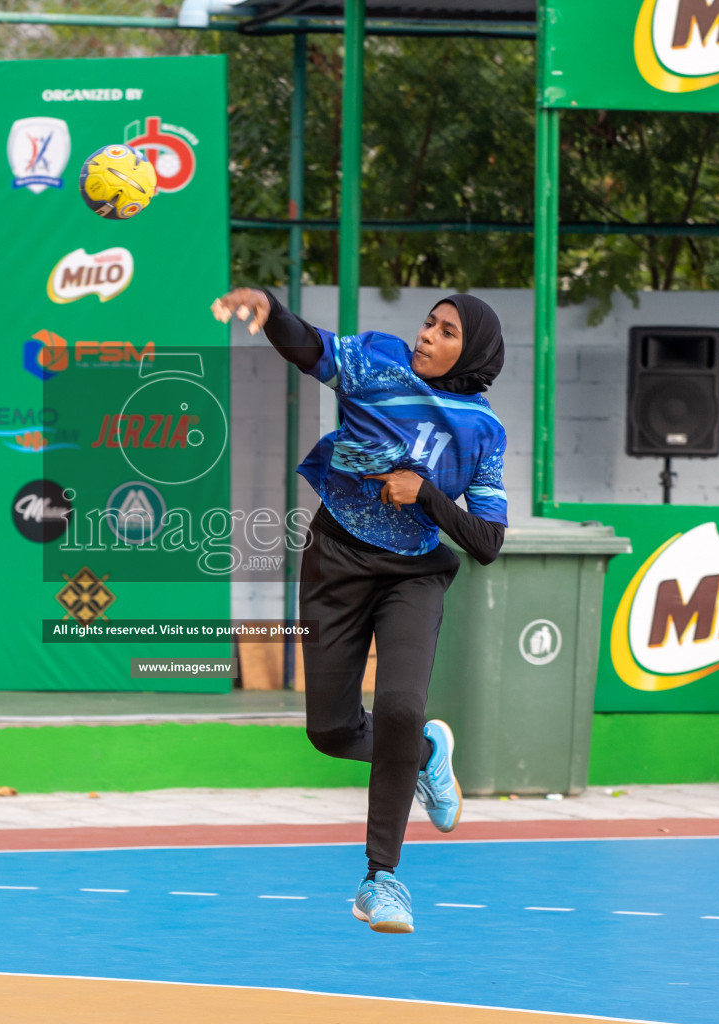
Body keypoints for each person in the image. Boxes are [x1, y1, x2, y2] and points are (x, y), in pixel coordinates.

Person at [210, 287, 507, 934]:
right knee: (331, 732)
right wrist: (269, 309)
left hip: (413, 576)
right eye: (428, 323)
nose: (427, 335)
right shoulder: (378, 363)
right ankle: (425, 749)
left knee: (400, 706)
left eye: (446, 331)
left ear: (474, 351)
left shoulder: (483, 431)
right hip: (335, 560)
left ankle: (382, 879)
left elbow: (486, 541)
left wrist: (425, 494)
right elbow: (310, 348)